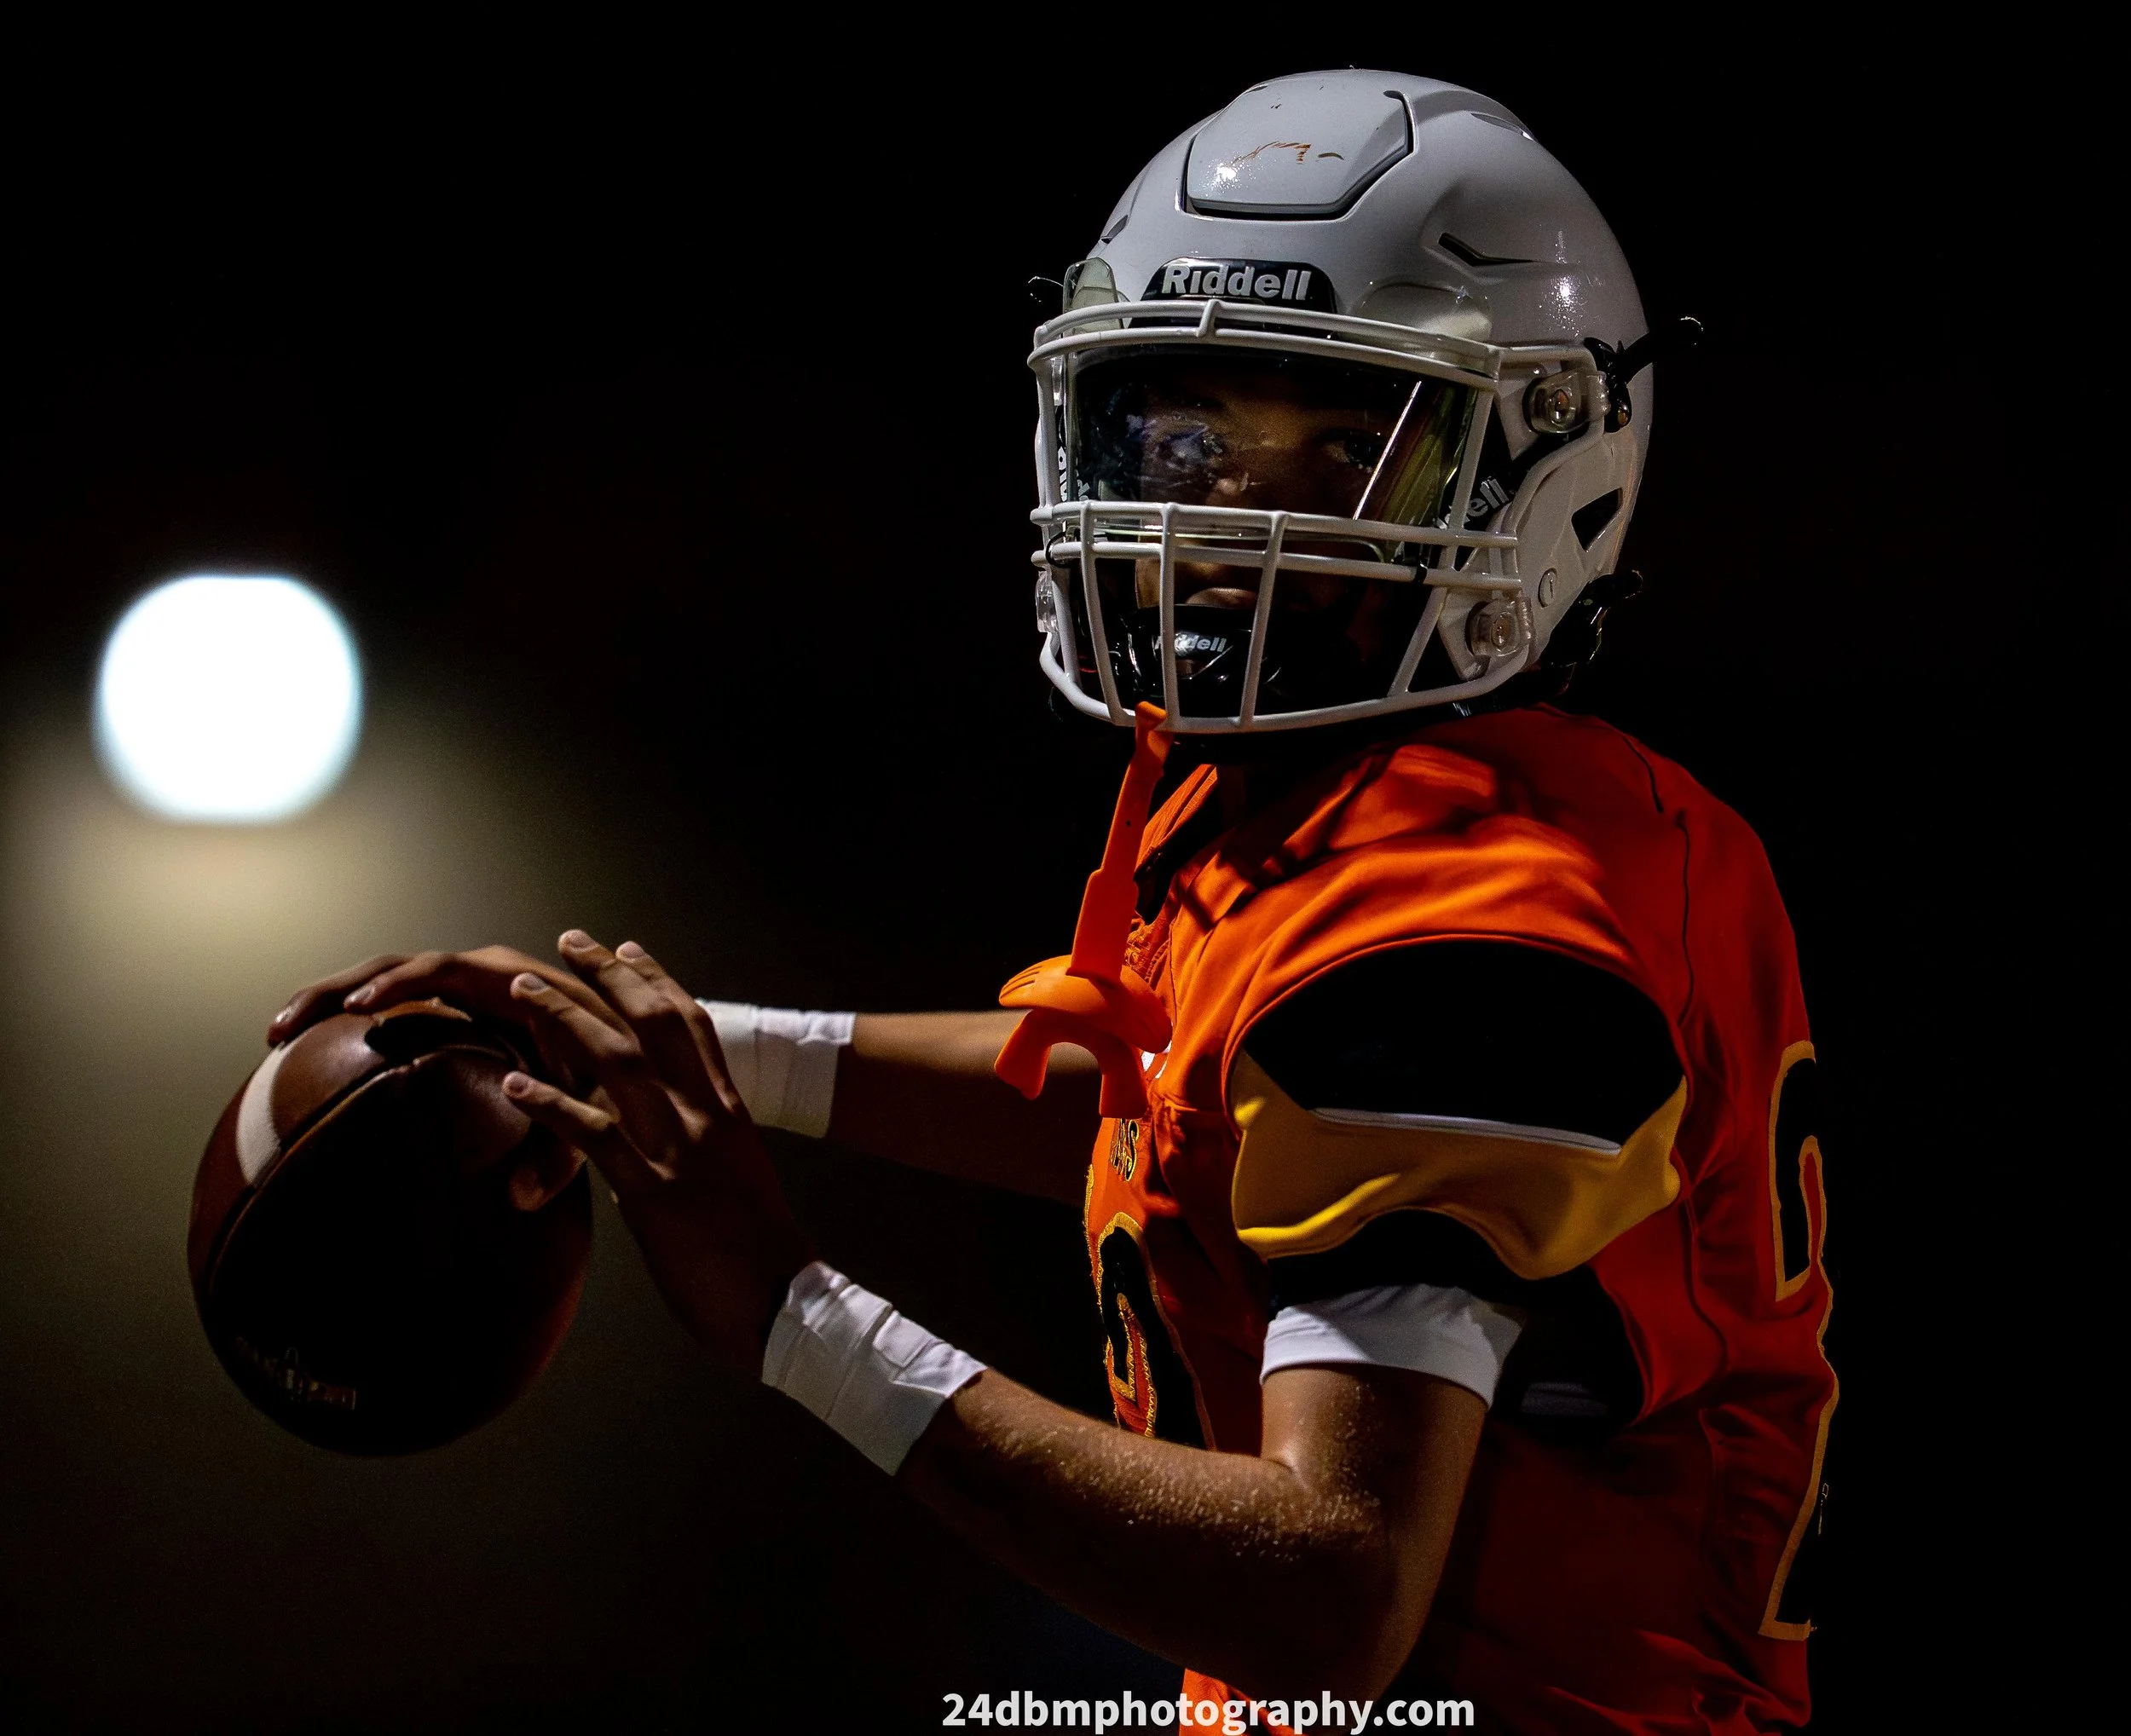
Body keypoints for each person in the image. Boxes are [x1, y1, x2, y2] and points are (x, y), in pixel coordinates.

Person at [270, 71, 1834, 1733]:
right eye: (1184, 435)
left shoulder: (1472, 914)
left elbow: (1329, 1593)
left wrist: (795, 1315)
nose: (1218, 521)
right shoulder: (1349, 797)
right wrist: (673, 1050)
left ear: (1540, 458)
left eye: (1331, 444)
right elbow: (1188, 1111)